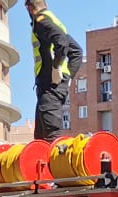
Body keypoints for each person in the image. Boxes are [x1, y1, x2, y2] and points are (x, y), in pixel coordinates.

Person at [26, 0, 82, 141]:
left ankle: (59, 162)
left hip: (49, 87)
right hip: (51, 87)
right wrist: (67, 77)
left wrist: (56, 67)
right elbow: (76, 51)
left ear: (30, 8)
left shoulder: (41, 21)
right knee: (40, 138)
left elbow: (61, 41)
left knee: (51, 137)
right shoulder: (54, 21)